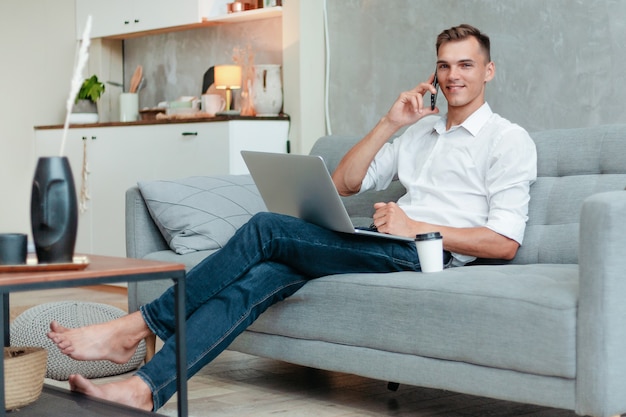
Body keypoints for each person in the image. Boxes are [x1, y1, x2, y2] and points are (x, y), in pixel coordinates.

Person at [47, 24, 537, 412]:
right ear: (433, 74)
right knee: (259, 278)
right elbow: (345, 181)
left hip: (429, 253)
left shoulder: (507, 139)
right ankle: (144, 391)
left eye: (466, 65)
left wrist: (416, 228)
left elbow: (504, 243)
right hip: (387, 242)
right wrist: (391, 121)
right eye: (444, 66)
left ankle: (139, 325)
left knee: (267, 227)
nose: (454, 76)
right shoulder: (420, 134)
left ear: (488, 71)